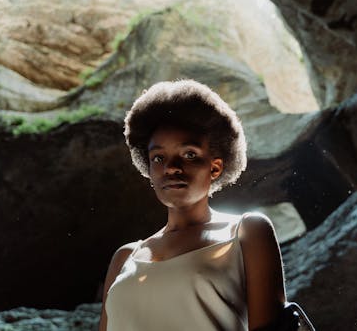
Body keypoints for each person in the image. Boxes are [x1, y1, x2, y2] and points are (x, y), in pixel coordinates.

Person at [98, 80, 286, 331]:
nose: (171, 167)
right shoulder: (125, 258)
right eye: (159, 158)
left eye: (189, 154)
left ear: (215, 167)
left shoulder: (246, 232)